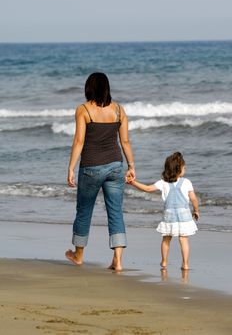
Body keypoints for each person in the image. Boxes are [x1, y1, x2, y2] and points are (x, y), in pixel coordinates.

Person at [65, 72, 135, 271]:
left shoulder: (84, 110)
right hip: (115, 166)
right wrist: (131, 166)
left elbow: (78, 141)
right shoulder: (120, 111)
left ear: (89, 88)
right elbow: (125, 142)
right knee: (115, 212)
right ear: (107, 88)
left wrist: (70, 167)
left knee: (84, 211)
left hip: (91, 168)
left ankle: (78, 255)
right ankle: (118, 261)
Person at [127, 152, 199, 270]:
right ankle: (185, 264)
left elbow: (147, 188)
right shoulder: (186, 182)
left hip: (169, 216)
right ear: (178, 169)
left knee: (166, 239)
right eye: (183, 167)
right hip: (184, 215)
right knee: (183, 239)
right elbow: (193, 198)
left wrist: (133, 182)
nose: (185, 169)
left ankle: (164, 261)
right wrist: (196, 210)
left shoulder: (163, 183)